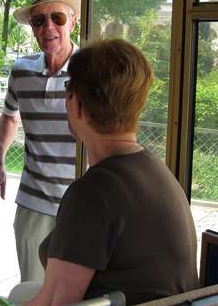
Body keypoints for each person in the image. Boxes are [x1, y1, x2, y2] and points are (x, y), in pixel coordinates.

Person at [18, 39, 198, 306]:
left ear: (77, 104)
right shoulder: (155, 171)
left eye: (68, 88)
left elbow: (54, 303)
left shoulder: (92, 194)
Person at [0, 0, 80, 283]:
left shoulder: (91, 70)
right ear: (33, 28)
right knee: (34, 287)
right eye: (39, 20)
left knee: (74, 294)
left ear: (73, 21)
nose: (48, 26)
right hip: (33, 203)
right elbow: (10, 117)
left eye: (57, 18)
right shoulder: (21, 71)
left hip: (81, 206)